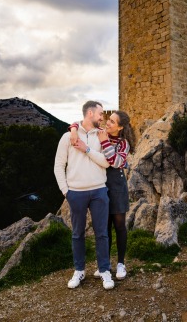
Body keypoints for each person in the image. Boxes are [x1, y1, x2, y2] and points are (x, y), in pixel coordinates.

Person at [54, 100, 115, 290]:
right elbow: (58, 166)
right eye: (100, 113)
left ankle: (104, 270)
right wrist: (66, 191)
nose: (102, 117)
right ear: (90, 113)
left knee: (102, 234)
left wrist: (87, 149)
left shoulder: (103, 136)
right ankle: (79, 270)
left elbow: (107, 163)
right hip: (76, 193)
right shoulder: (67, 137)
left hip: (99, 191)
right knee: (77, 234)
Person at [69, 110, 136, 280]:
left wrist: (105, 142)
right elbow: (80, 123)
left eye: (113, 122)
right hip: (100, 185)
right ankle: (104, 265)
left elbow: (115, 162)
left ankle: (121, 263)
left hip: (117, 187)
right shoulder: (100, 132)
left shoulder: (123, 143)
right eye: (109, 120)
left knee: (119, 225)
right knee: (104, 227)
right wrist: (74, 130)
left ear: (120, 127)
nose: (108, 123)